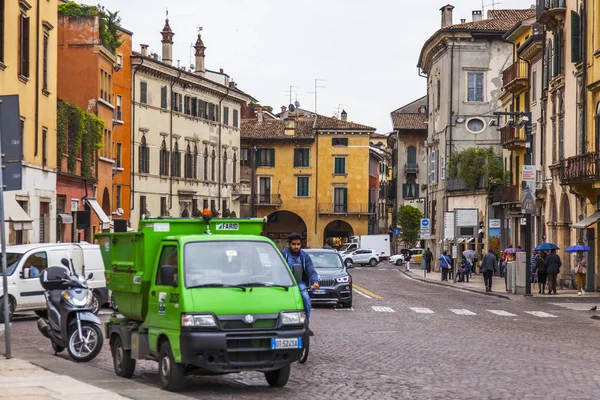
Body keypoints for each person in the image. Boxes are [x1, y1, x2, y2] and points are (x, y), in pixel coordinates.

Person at [281, 233, 320, 335]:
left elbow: (311, 270)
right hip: (284, 284)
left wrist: (315, 282)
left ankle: (305, 325)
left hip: (299, 283)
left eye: (298, 244)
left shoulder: (304, 256)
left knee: (306, 300)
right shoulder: (282, 255)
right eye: (294, 244)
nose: (296, 247)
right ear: (288, 244)